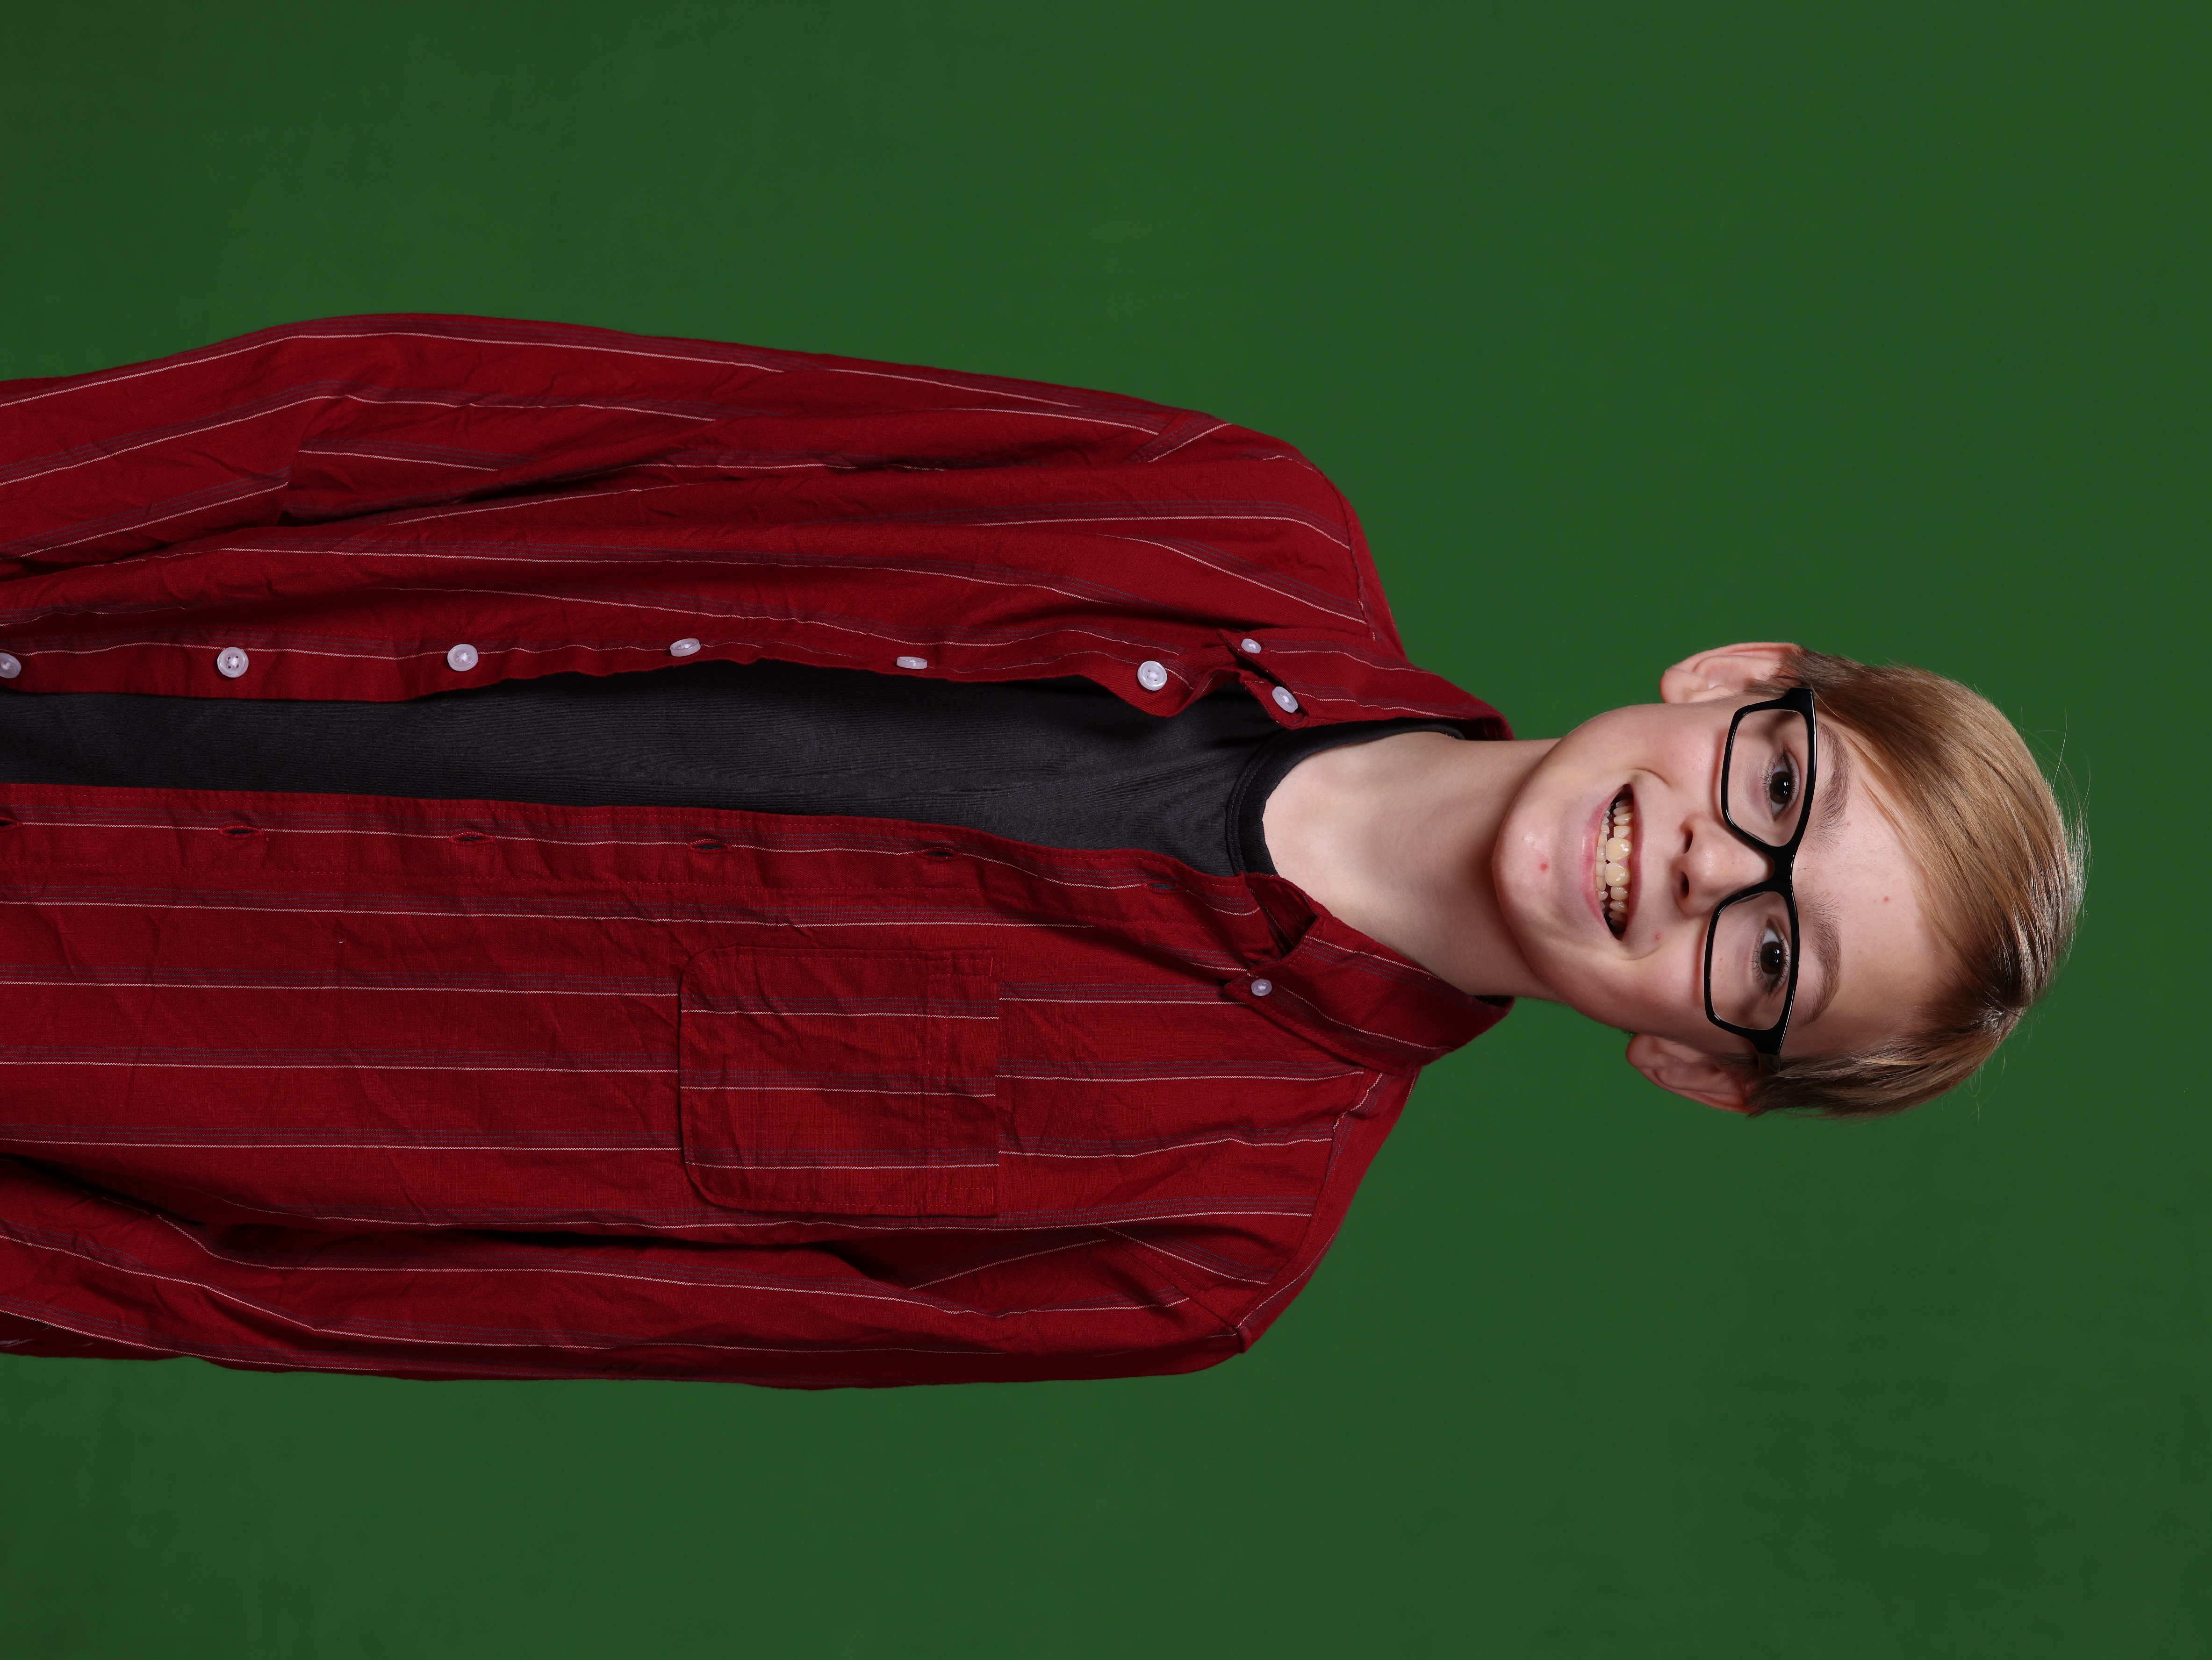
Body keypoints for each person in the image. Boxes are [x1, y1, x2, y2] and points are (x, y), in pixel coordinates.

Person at [0, 318, 2082, 1387]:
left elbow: (435, 1304)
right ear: (1739, 680)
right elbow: (512, 415)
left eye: (1773, 962)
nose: (1718, 869)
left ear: (1701, 1066)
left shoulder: (1193, 1249)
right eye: (1782, 793)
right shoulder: (1229, 518)